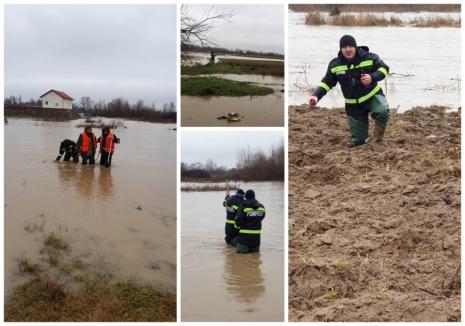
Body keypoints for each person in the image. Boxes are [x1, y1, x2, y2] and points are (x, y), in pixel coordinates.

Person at [309, 35, 390, 147]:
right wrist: (316, 96)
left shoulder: (369, 57)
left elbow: (384, 68)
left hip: (372, 96)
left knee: (382, 112)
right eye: (344, 47)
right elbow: (326, 83)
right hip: (353, 105)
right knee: (358, 143)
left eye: (350, 46)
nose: (348, 49)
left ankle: (377, 140)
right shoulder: (335, 65)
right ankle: (361, 143)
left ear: (355, 47)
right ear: (340, 49)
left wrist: (372, 77)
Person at [234, 190, 266, 254]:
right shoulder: (261, 207)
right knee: (255, 260)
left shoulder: (242, 207)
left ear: (245, 197)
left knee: (241, 260)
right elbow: (262, 218)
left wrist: (237, 225)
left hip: (244, 240)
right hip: (256, 240)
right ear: (254, 196)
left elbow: (238, 222)